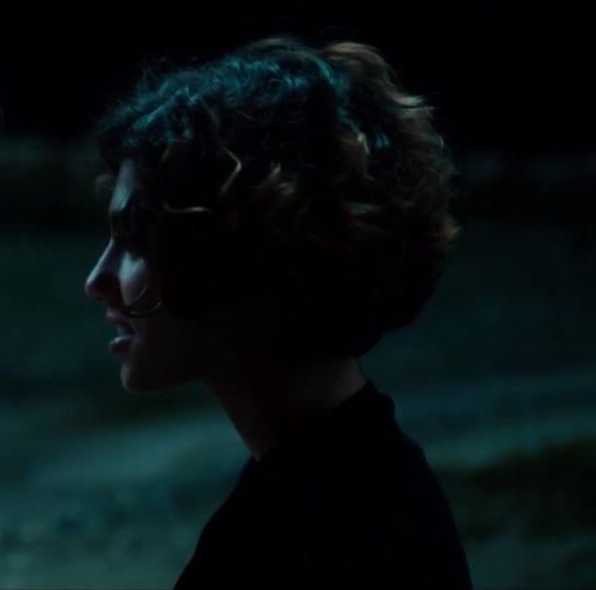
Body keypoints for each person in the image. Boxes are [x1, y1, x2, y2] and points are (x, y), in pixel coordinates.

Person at [84, 37, 473, 589]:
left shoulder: (276, 542)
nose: (97, 280)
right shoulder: (386, 475)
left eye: (134, 240)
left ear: (229, 254)